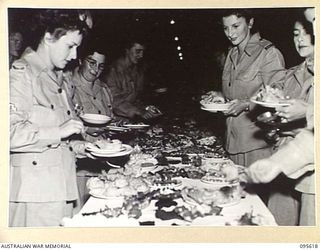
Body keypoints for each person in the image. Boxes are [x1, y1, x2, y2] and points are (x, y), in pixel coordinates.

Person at [9, 9, 93, 227]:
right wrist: (59, 132)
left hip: (62, 187)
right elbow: (8, 134)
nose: (75, 56)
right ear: (48, 37)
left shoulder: (58, 78)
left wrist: (76, 145)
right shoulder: (22, 73)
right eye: (70, 46)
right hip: (35, 196)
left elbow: (56, 138)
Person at [266, 9, 315, 226]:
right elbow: (276, 115)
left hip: (310, 169)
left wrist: (294, 125)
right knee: (277, 224)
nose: (301, 39)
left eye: (307, 32)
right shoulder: (290, 75)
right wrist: (273, 128)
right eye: (296, 34)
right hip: (285, 161)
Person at [221, 9, 286, 167]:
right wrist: (219, 96)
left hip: (256, 144)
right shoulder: (231, 54)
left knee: (258, 192)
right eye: (225, 28)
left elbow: (279, 95)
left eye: (236, 26)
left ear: (250, 23)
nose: (230, 33)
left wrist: (246, 104)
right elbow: (233, 92)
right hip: (231, 140)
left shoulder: (268, 53)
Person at [71, 40, 114, 208]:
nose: (96, 70)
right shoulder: (68, 87)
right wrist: (88, 129)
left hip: (102, 164)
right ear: (81, 60)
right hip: (80, 167)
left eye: (101, 66)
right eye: (92, 63)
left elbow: (110, 117)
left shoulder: (104, 89)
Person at [103, 37, 161, 120]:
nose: (141, 55)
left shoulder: (137, 72)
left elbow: (137, 98)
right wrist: (138, 111)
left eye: (143, 52)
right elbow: (114, 101)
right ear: (127, 51)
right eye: (138, 51)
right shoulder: (112, 71)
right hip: (114, 119)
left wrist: (147, 108)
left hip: (131, 118)